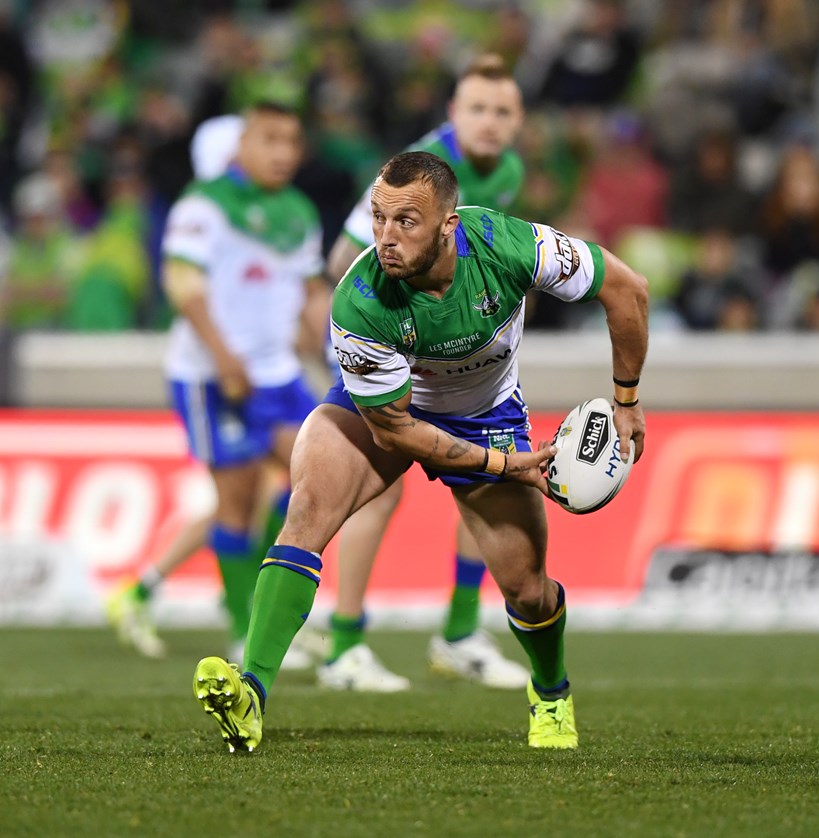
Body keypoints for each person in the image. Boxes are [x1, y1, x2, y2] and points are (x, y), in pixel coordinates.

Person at [192, 150, 648, 753]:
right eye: (378, 218)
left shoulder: (510, 246)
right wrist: (502, 465)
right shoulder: (359, 300)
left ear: (448, 225)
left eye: (406, 221)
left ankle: (551, 691)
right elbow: (395, 431)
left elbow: (626, 288)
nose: (386, 237)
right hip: (384, 411)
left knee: (527, 589)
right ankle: (251, 693)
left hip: (486, 412)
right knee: (307, 510)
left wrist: (626, 398)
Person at [319, 53, 530, 693]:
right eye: (477, 109)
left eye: (502, 112)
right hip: (390, 341)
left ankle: (460, 634)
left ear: (519, 121)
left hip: (462, 347)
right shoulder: (412, 176)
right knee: (378, 488)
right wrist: (398, 333)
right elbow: (342, 258)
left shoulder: (508, 171)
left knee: (484, 477)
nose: (489, 123)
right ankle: (342, 646)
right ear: (451, 115)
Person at [109, 102, 330, 664]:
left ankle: (249, 592)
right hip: (213, 374)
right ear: (242, 146)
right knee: (234, 504)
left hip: (278, 373)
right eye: (269, 140)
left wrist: (338, 354)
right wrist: (227, 358)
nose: (282, 153)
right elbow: (183, 285)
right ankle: (244, 628)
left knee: (317, 479)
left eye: (291, 141)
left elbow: (309, 296)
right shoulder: (205, 206)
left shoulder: (300, 210)